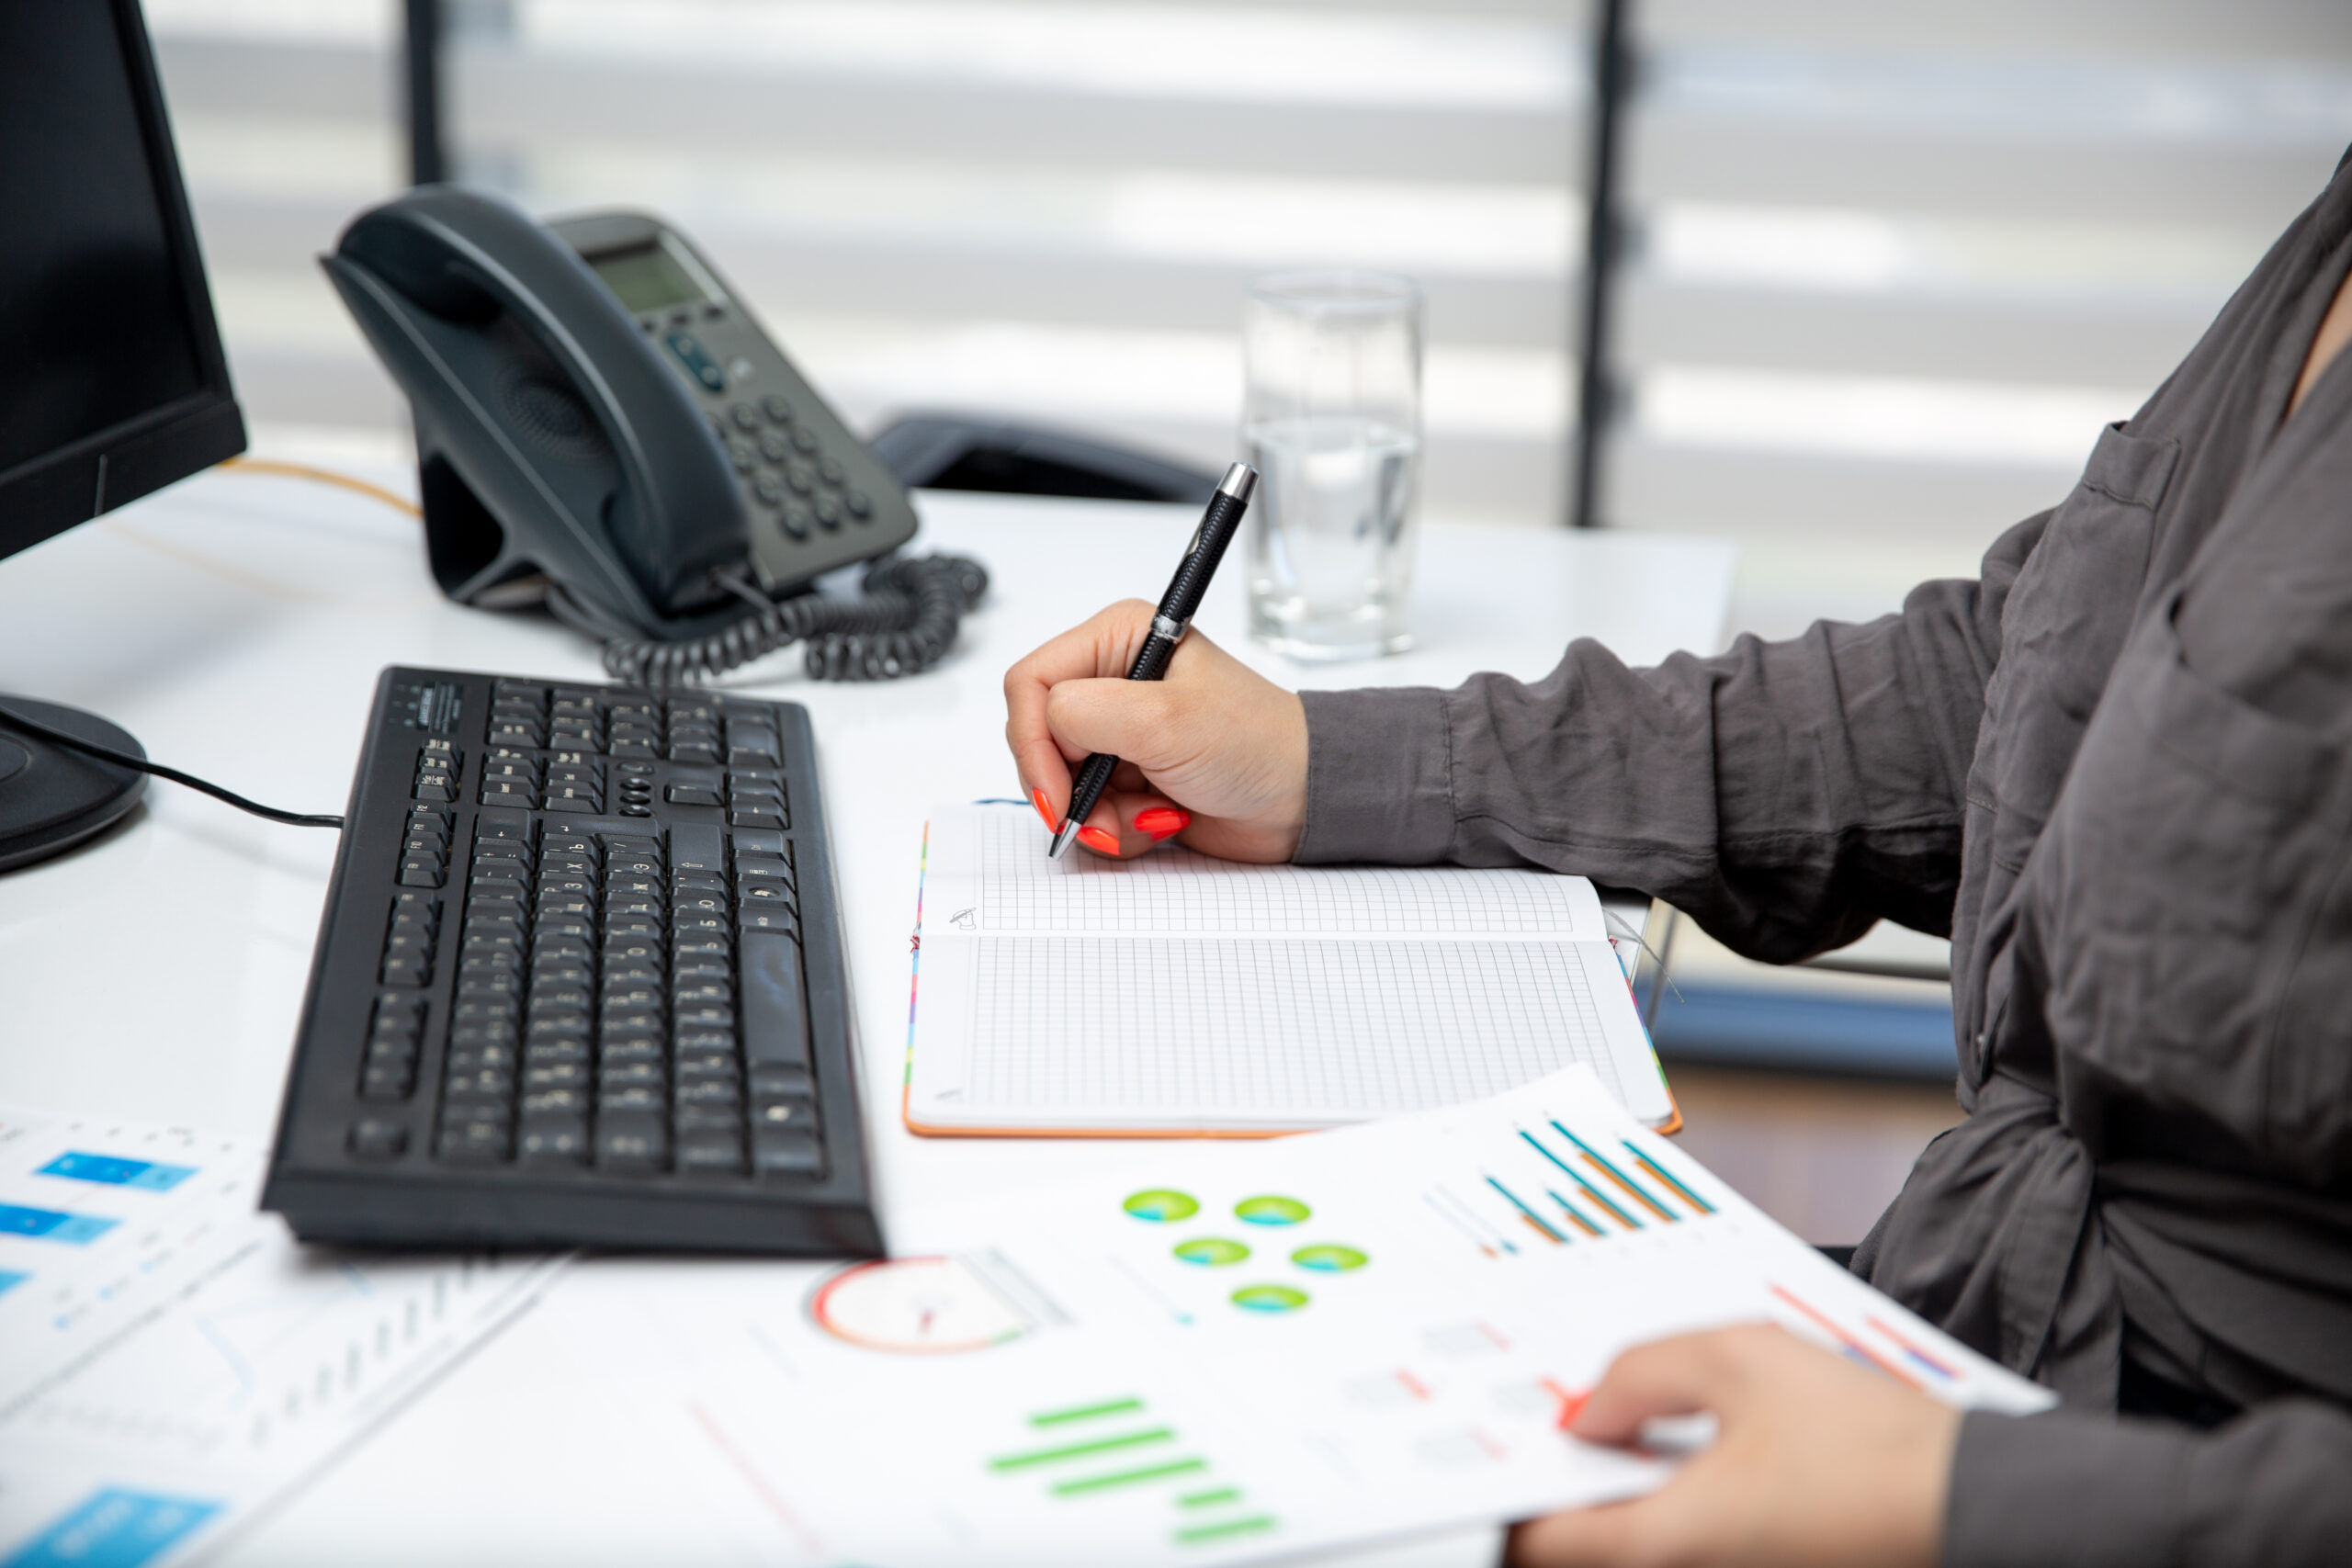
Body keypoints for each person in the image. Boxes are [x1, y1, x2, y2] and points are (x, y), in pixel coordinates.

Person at [1001, 150, 2352, 1565]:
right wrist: (1325, 766)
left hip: (2139, 1477)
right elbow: (2017, 685)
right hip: (1970, 1345)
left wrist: (1954, 1502)